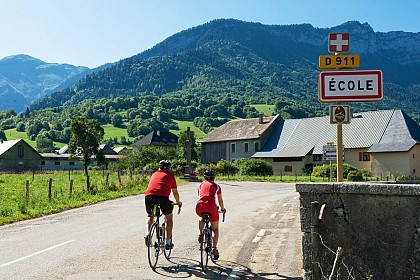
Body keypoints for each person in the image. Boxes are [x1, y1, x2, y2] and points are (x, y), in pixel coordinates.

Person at [145, 159, 182, 250]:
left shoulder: (154, 174)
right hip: (162, 198)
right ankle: (168, 242)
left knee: (150, 215)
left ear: (159, 167)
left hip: (149, 196)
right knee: (169, 218)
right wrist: (178, 202)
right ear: (169, 168)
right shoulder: (170, 176)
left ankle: (148, 233)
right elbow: (175, 192)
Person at [195, 169, 226, 260]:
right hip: (212, 207)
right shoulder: (216, 186)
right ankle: (214, 248)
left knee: (201, 217)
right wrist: (223, 209)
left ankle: (201, 233)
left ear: (204, 177)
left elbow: (201, 196)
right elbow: (220, 200)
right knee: (215, 229)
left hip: (200, 206)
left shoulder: (200, 185)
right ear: (213, 177)